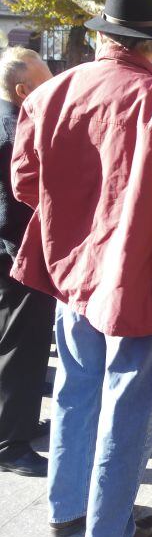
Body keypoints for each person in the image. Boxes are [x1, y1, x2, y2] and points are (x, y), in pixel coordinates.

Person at [10, 0, 152, 537]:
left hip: (73, 269)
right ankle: (107, 530)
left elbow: (26, 185)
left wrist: (73, 221)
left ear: (104, 35)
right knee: (129, 404)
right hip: (140, 274)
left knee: (77, 389)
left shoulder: (51, 94)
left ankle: (68, 507)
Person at [0, 47, 55, 478]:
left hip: (13, 252)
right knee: (21, 346)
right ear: (23, 91)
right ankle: (11, 443)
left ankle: (18, 423)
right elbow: (14, 206)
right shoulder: (14, 129)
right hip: (15, 254)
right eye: (45, 83)